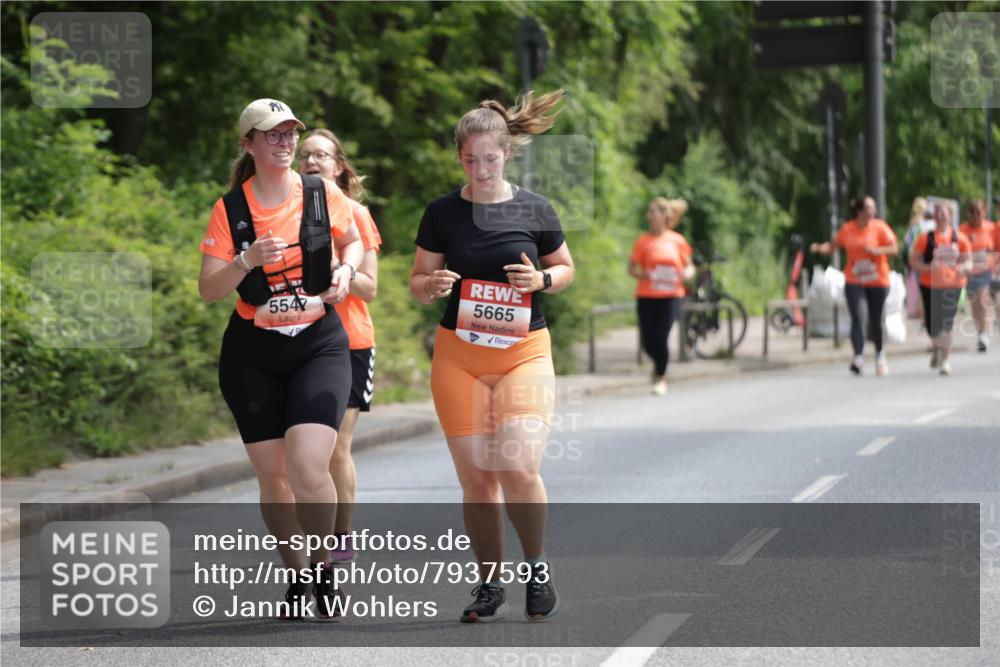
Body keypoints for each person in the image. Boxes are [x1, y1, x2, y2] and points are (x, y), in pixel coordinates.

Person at [409, 90, 574, 623]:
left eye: (490, 159)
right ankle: (488, 584)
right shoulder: (441, 213)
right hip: (459, 356)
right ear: (459, 156)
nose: (480, 169)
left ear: (507, 154)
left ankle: (536, 565)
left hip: (524, 352)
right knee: (478, 479)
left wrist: (542, 278)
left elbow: (566, 269)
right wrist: (430, 284)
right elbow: (417, 281)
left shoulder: (535, 207)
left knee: (517, 463)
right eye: (469, 159)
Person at [198, 99, 363, 619]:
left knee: (310, 465)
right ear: (248, 143)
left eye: (290, 133)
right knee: (274, 478)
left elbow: (353, 241)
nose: (285, 142)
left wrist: (343, 272)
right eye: (271, 135)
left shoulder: (320, 192)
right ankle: (296, 574)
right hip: (253, 352)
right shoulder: (230, 209)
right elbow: (208, 289)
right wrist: (246, 259)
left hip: (319, 343)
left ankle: (323, 565)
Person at [299, 129, 380, 562]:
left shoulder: (355, 214)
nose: (311, 161)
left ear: (339, 167)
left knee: (335, 446)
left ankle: (340, 535)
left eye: (321, 155)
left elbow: (368, 289)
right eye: (304, 155)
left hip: (349, 342)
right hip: (300, 338)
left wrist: (333, 265)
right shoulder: (288, 209)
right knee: (304, 449)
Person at [810, 195, 899, 376]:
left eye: (873, 208)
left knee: (876, 319)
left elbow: (894, 248)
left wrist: (878, 250)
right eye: (869, 208)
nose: (873, 211)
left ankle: (880, 355)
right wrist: (819, 248)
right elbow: (832, 246)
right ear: (859, 211)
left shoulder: (880, 227)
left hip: (877, 280)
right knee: (858, 316)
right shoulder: (848, 229)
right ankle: (858, 357)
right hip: (855, 280)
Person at [628, 197, 694, 395]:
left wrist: (687, 274)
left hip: (671, 295)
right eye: (649, 211)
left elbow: (689, 266)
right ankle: (658, 365)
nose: (649, 215)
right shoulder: (643, 241)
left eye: (653, 211)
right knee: (648, 341)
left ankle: (661, 378)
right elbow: (631, 269)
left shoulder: (677, 240)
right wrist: (643, 274)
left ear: (664, 216)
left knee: (662, 336)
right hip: (647, 294)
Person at [910, 203, 972, 376]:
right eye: (937, 214)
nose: (941, 217)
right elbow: (914, 261)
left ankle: (945, 361)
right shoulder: (925, 238)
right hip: (930, 285)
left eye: (944, 214)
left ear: (950, 216)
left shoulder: (960, 237)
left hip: (953, 284)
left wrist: (963, 267)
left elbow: (969, 261)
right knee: (932, 326)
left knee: (946, 323)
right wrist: (928, 268)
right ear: (934, 217)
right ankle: (937, 347)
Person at [958, 199, 995, 352]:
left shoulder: (991, 228)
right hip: (970, 271)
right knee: (974, 305)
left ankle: (984, 335)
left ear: (984, 212)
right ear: (968, 213)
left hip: (986, 270)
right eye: (972, 211)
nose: (975, 215)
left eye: (978, 211)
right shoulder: (962, 230)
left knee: (983, 299)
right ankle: (980, 332)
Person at [902, 197, 929, 320]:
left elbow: (907, 243)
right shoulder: (924, 223)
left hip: (914, 259)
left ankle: (918, 312)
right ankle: (923, 314)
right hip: (922, 259)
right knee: (923, 286)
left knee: (916, 286)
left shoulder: (912, 223)